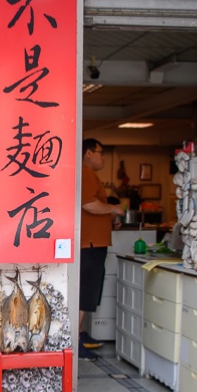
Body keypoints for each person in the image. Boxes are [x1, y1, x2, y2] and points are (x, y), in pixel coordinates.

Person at [79, 138, 125, 361]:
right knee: (84, 296)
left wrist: (110, 217)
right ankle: (75, 341)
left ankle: (78, 336)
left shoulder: (90, 174)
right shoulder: (86, 173)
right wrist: (114, 208)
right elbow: (88, 203)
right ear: (88, 153)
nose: (103, 158)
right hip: (89, 245)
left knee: (86, 296)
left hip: (92, 243)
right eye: (100, 152)